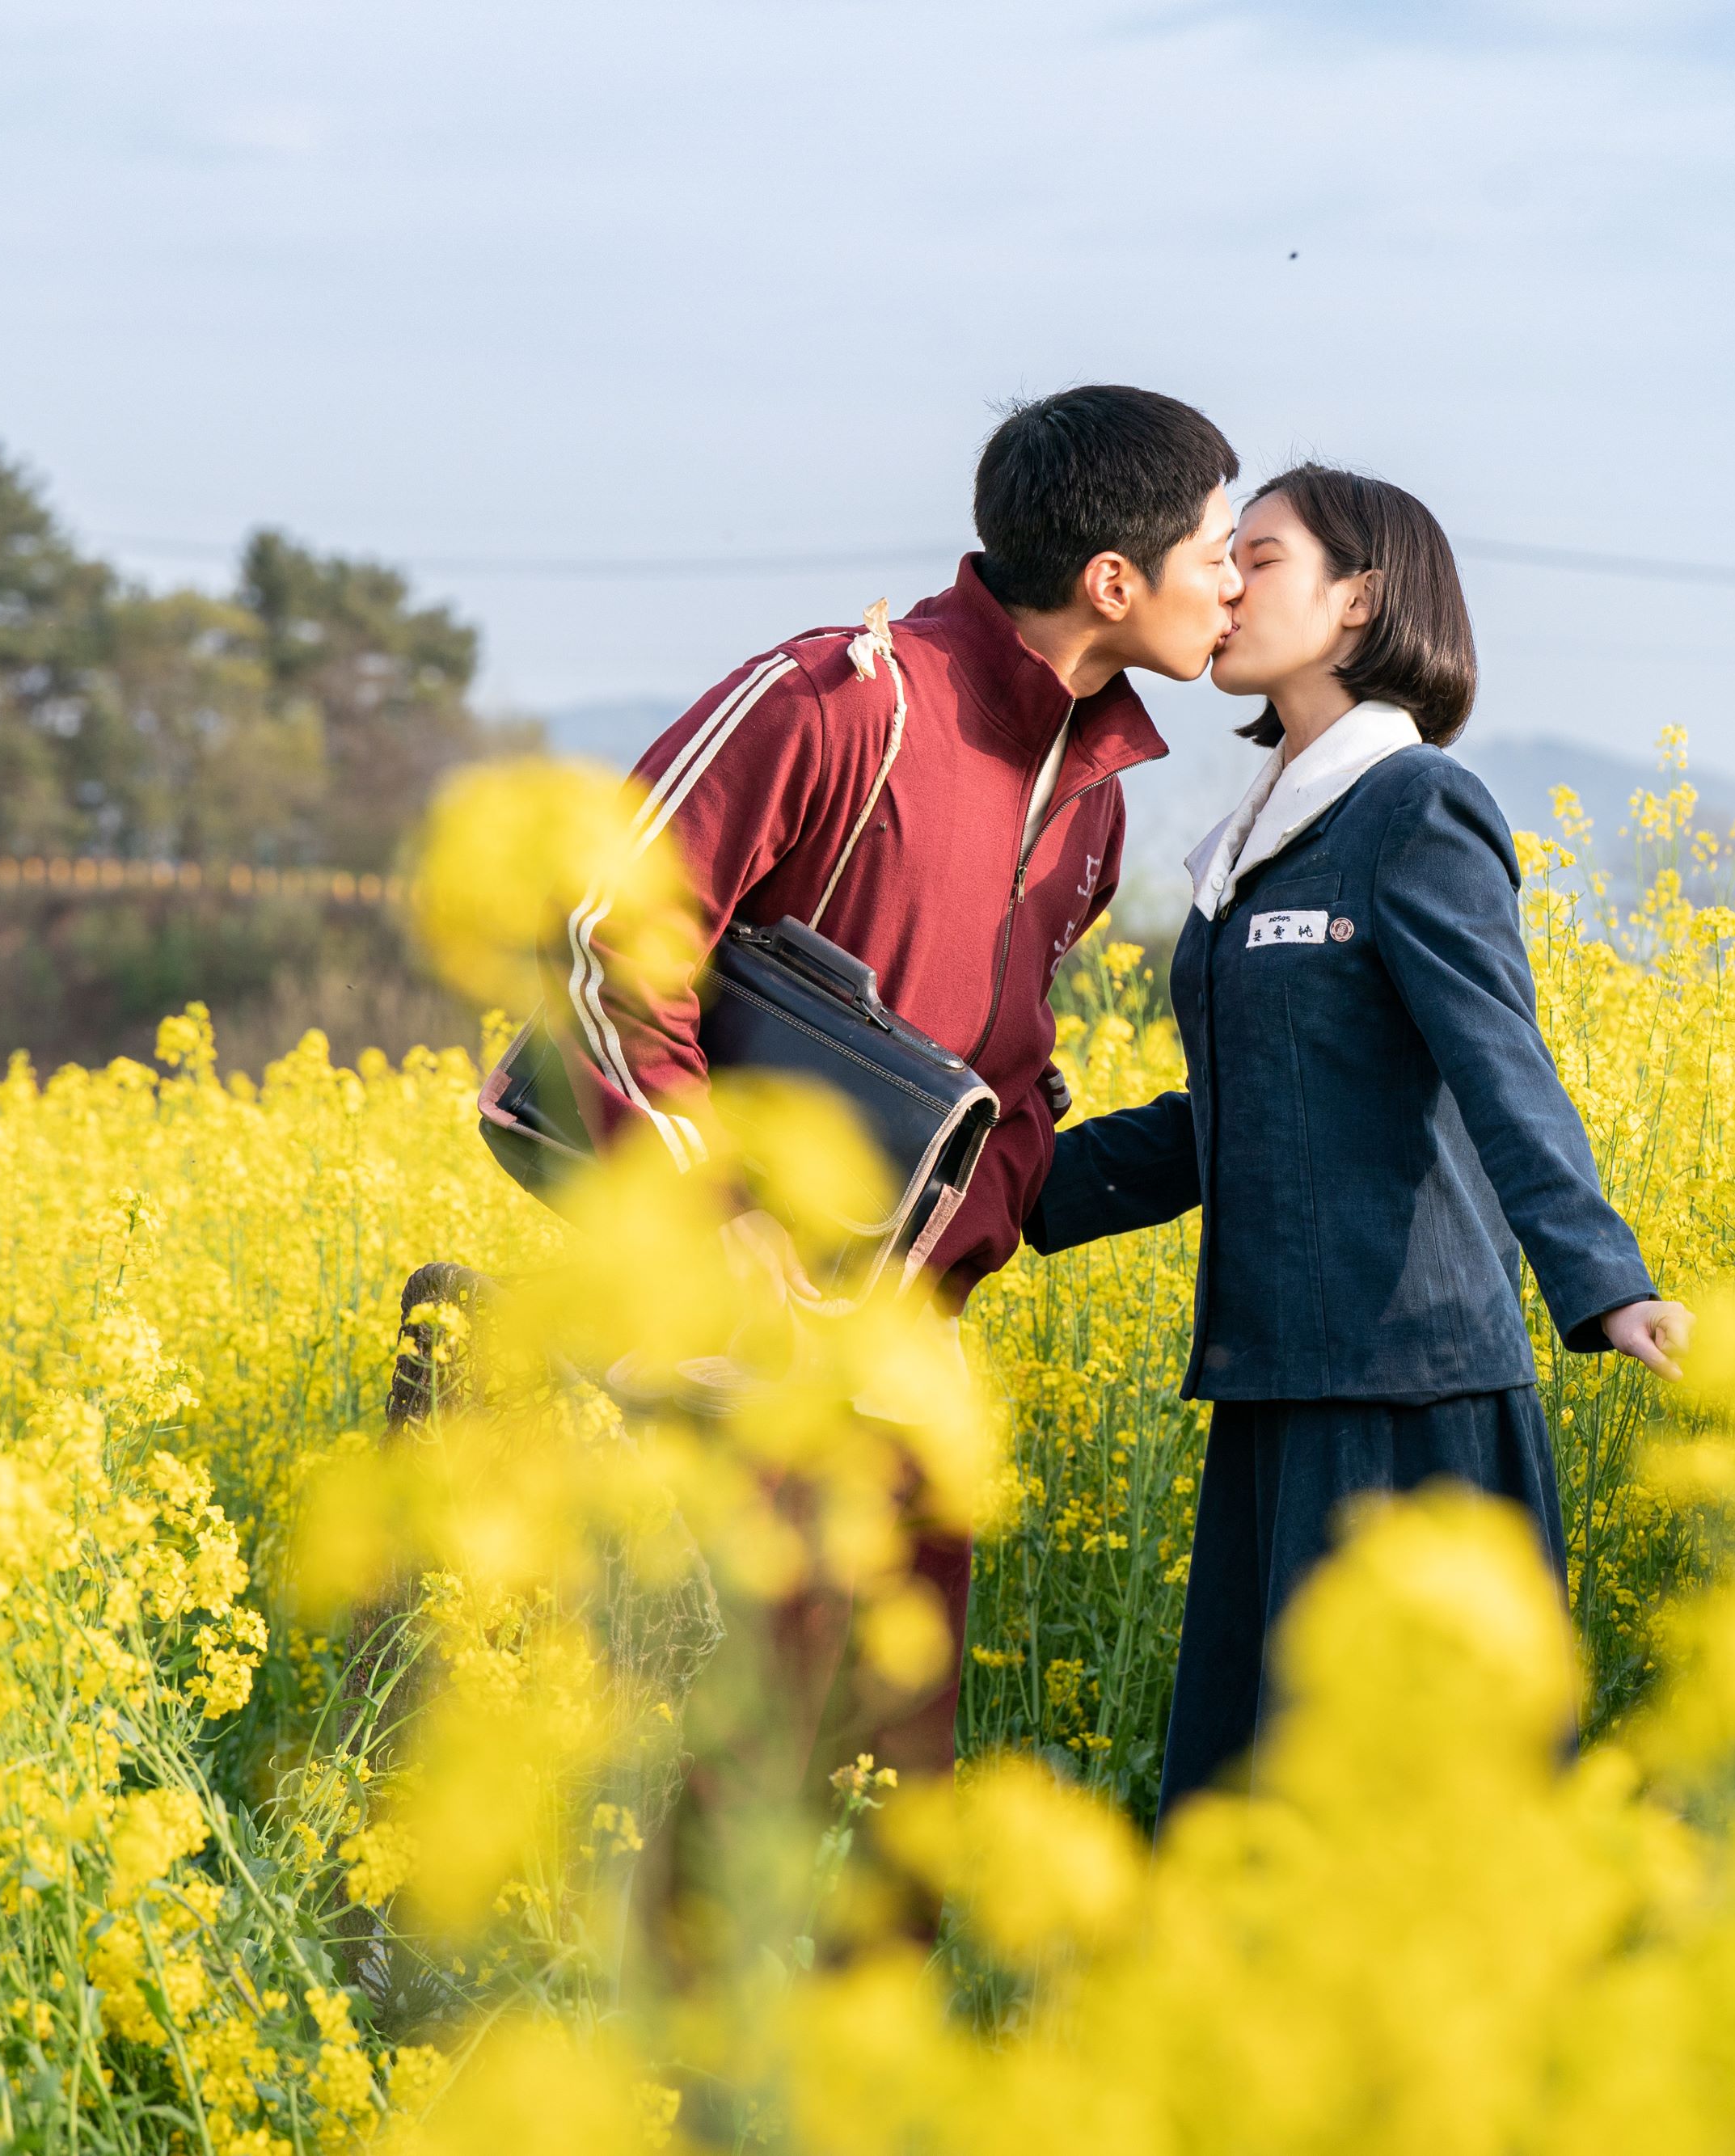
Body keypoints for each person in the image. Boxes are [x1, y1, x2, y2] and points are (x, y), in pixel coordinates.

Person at [538, 384, 1244, 1804]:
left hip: (911, 1362)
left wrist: (1032, 1171)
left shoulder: (1097, 805)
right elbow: (603, 940)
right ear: (1116, 581)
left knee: (889, 1793)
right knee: (716, 1786)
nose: (1238, 584)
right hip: (729, 1353)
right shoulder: (839, 699)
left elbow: (997, 1057)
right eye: (1222, 550)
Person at [1024, 464, 1690, 1821]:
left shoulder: (1412, 811)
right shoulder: (1249, 842)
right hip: (1276, 1390)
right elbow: (1248, 1113)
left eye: (1257, 559)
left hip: (1412, 1392)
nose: (1222, 584)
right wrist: (1014, 1190)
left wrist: (1603, 1277)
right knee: (1255, 1806)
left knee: (1418, 1813)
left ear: (1356, 603)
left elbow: (1500, 1064)